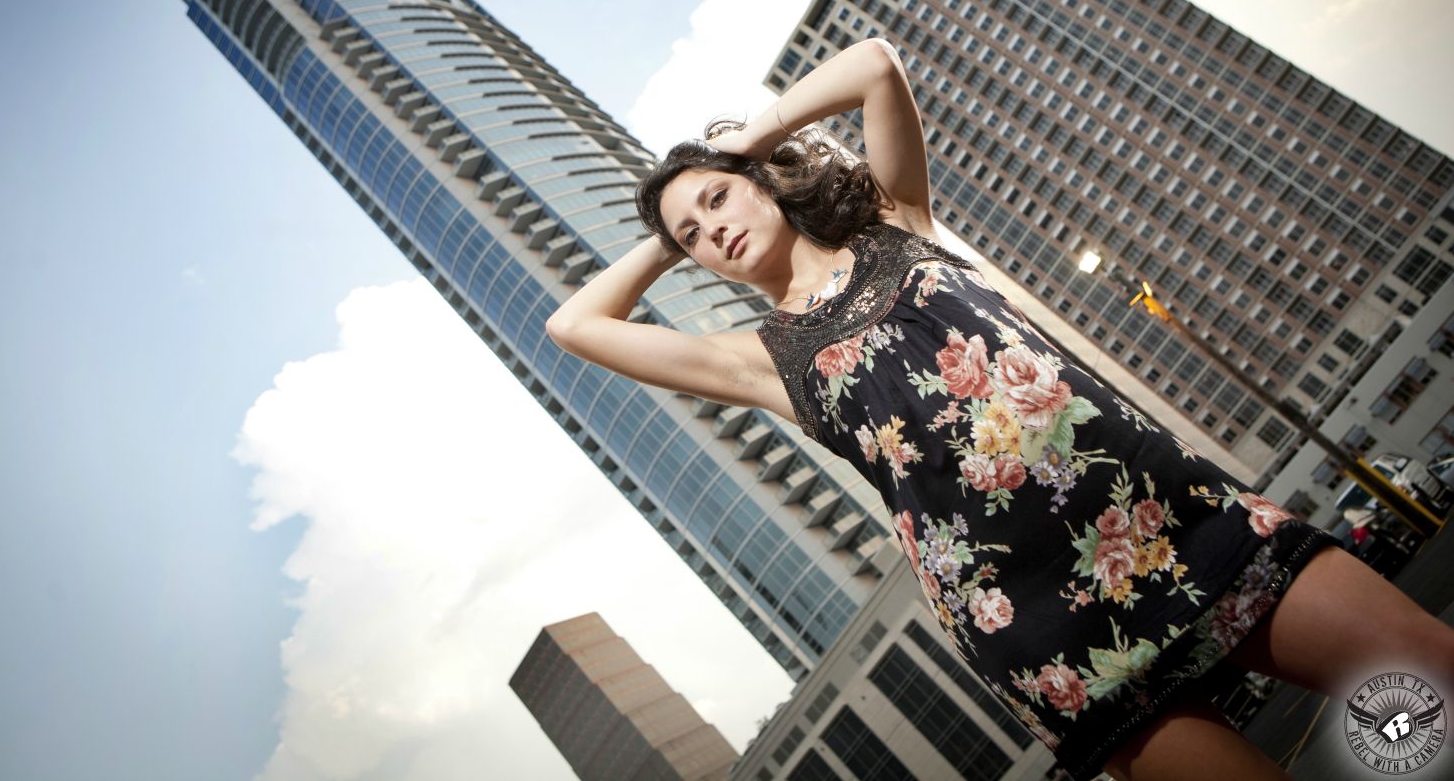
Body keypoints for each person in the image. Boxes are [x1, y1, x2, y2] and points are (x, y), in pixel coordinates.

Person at [545, 38, 1454, 780]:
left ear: (761, 177)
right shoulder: (757, 361)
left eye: (719, 202)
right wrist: (667, 240)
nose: (715, 231)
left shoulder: (893, 221)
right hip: (1030, 616)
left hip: (1167, 515)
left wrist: (739, 146)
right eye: (694, 237)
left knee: (1427, 666)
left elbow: (871, 63)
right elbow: (576, 322)